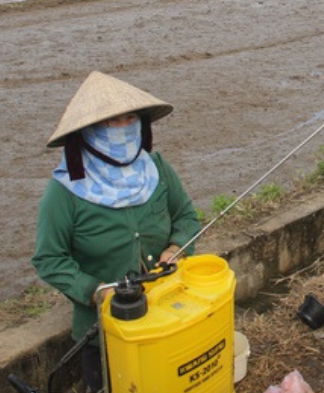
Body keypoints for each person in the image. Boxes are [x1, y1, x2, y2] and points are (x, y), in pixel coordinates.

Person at [32, 71, 201, 392]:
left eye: (130, 118)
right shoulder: (64, 191)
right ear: (87, 132)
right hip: (103, 330)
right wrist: (98, 292)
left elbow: (187, 218)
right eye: (112, 122)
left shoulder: (157, 168)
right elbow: (49, 259)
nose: (124, 128)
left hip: (167, 310)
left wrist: (176, 248)